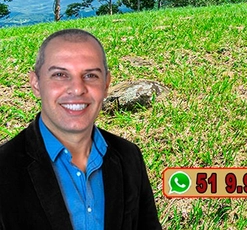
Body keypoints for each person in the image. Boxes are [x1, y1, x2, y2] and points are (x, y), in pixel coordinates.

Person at [0, 29, 162, 230]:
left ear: (106, 85)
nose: (77, 89)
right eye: (60, 75)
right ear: (36, 83)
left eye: (90, 75)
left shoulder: (129, 156)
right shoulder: (4, 168)